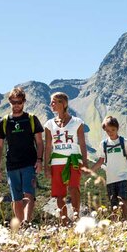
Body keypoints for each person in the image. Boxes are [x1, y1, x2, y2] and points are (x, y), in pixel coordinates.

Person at [0, 87, 43, 225]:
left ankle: (27, 223)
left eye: (19, 102)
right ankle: (21, 227)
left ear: (24, 102)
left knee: (29, 194)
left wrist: (39, 160)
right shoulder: (4, 122)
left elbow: (39, 142)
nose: (16, 105)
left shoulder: (32, 119)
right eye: (13, 102)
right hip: (12, 165)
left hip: (29, 163)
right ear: (9, 101)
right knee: (16, 199)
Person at [43, 92, 88, 223]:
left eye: (54, 102)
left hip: (73, 160)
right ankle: (64, 219)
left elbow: (82, 144)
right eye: (51, 102)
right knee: (59, 192)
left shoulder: (77, 122)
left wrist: (85, 163)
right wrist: (46, 167)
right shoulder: (49, 124)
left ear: (63, 104)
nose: (51, 104)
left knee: (74, 187)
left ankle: (76, 214)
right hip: (57, 162)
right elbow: (47, 147)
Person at [91, 116, 127, 220]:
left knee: (123, 198)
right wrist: (90, 170)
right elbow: (101, 160)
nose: (110, 132)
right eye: (107, 131)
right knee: (113, 201)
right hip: (110, 178)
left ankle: (125, 219)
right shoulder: (104, 144)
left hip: (123, 175)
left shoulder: (124, 142)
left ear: (117, 128)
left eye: (113, 130)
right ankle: (115, 221)